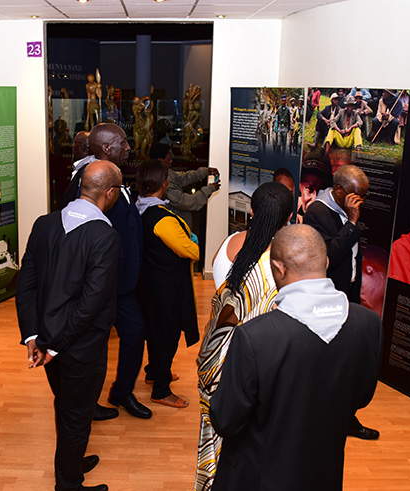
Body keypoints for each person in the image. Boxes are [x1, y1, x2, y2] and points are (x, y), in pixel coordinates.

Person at [209, 224, 381, 491]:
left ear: (278, 268)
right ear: (325, 261)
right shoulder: (369, 324)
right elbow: (362, 396)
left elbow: (225, 421)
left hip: (259, 476)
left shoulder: (255, 337)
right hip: (325, 472)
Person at [17, 160, 123, 491]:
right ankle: (69, 483)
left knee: (64, 404)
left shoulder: (44, 223)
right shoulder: (105, 236)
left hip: (48, 341)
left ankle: (70, 460)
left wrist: (35, 336)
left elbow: (26, 285)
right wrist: (53, 345)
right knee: (76, 415)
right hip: (79, 347)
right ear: (110, 192)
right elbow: (91, 304)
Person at [196, 182, 293, 491]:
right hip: (257, 364)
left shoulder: (230, 244)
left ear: (251, 212)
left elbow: (216, 279)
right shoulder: (282, 266)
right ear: (288, 218)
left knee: (216, 439)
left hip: (219, 361)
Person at [62, 122, 152, 421]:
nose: (129, 147)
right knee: (94, 345)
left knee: (134, 333)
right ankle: (86, 403)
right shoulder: (89, 182)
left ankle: (121, 391)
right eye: (124, 143)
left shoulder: (114, 176)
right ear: (108, 148)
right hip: (102, 283)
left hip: (122, 282)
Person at [302, 164, 379, 440]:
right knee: (327, 362)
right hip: (327, 299)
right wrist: (352, 223)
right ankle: (322, 419)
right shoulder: (317, 213)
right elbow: (329, 257)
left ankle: (346, 418)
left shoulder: (344, 210)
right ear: (338, 191)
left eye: (364, 196)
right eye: (356, 196)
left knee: (347, 362)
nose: (360, 202)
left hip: (348, 295)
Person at [136, 159, 200, 408]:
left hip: (148, 284)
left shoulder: (138, 208)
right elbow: (191, 251)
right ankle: (161, 389)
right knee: (167, 335)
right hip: (166, 288)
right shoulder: (162, 218)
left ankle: (154, 372)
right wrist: (192, 240)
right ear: (163, 183)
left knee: (154, 331)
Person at [151, 142, 220, 228]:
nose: (171, 161)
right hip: (176, 227)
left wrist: (205, 172)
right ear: (160, 160)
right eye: (168, 159)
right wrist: (210, 189)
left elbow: (183, 177)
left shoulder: (165, 173)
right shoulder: (162, 182)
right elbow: (186, 202)